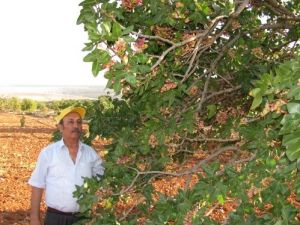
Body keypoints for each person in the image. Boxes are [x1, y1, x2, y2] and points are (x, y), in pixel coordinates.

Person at [28, 106, 104, 225]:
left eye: (79, 122)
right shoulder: (48, 153)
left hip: (84, 218)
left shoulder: (90, 153)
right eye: (70, 122)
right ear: (60, 127)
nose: (76, 126)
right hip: (55, 218)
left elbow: (103, 178)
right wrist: (34, 219)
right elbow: (37, 185)